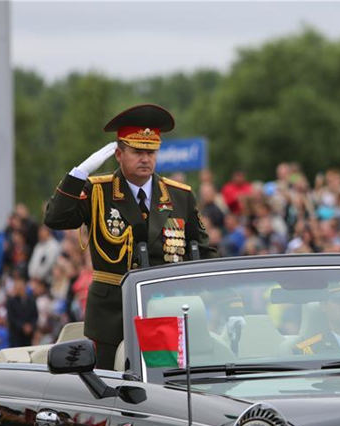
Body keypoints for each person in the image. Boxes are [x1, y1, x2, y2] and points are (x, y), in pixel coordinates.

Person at [44, 104, 217, 369]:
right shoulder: (97, 191)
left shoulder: (179, 195)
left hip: (163, 310)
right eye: (137, 152)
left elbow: (205, 252)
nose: (145, 159)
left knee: (163, 387)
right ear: (118, 154)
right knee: (105, 390)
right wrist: (79, 174)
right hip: (111, 314)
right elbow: (55, 218)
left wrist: (217, 305)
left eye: (151, 152)